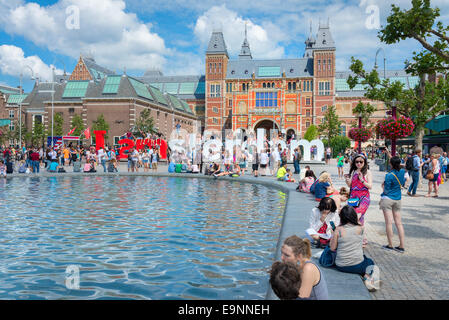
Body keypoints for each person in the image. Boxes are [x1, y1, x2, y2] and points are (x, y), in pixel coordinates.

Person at [330, 206, 379, 291]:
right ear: (354, 216)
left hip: (341, 265)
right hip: (357, 264)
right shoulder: (361, 228)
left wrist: (333, 234)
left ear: (341, 217)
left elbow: (332, 248)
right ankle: (367, 277)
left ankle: (365, 277)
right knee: (370, 262)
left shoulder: (338, 230)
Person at [280, 235, 328, 300]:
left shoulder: (308, 269)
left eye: (287, 255)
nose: (282, 258)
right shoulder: (296, 267)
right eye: (282, 253)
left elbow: (301, 298)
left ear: (299, 256)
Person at [379, 156, 407, 253]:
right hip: (398, 199)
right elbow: (402, 183)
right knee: (399, 223)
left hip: (388, 199)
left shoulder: (389, 175)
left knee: (389, 223)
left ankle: (390, 245)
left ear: (390, 164)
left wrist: (382, 186)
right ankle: (401, 246)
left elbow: (386, 190)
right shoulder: (402, 172)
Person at [345, 154, 372, 230]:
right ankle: (361, 236)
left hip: (364, 197)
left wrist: (362, 180)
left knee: (358, 215)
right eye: (357, 162)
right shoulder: (353, 171)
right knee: (354, 216)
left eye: (361, 162)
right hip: (353, 197)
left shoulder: (367, 172)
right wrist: (347, 180)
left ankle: (360, 235)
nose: (359, 163)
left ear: (364, 162)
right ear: (354, 163)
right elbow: (350, 185)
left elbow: (370, 186)